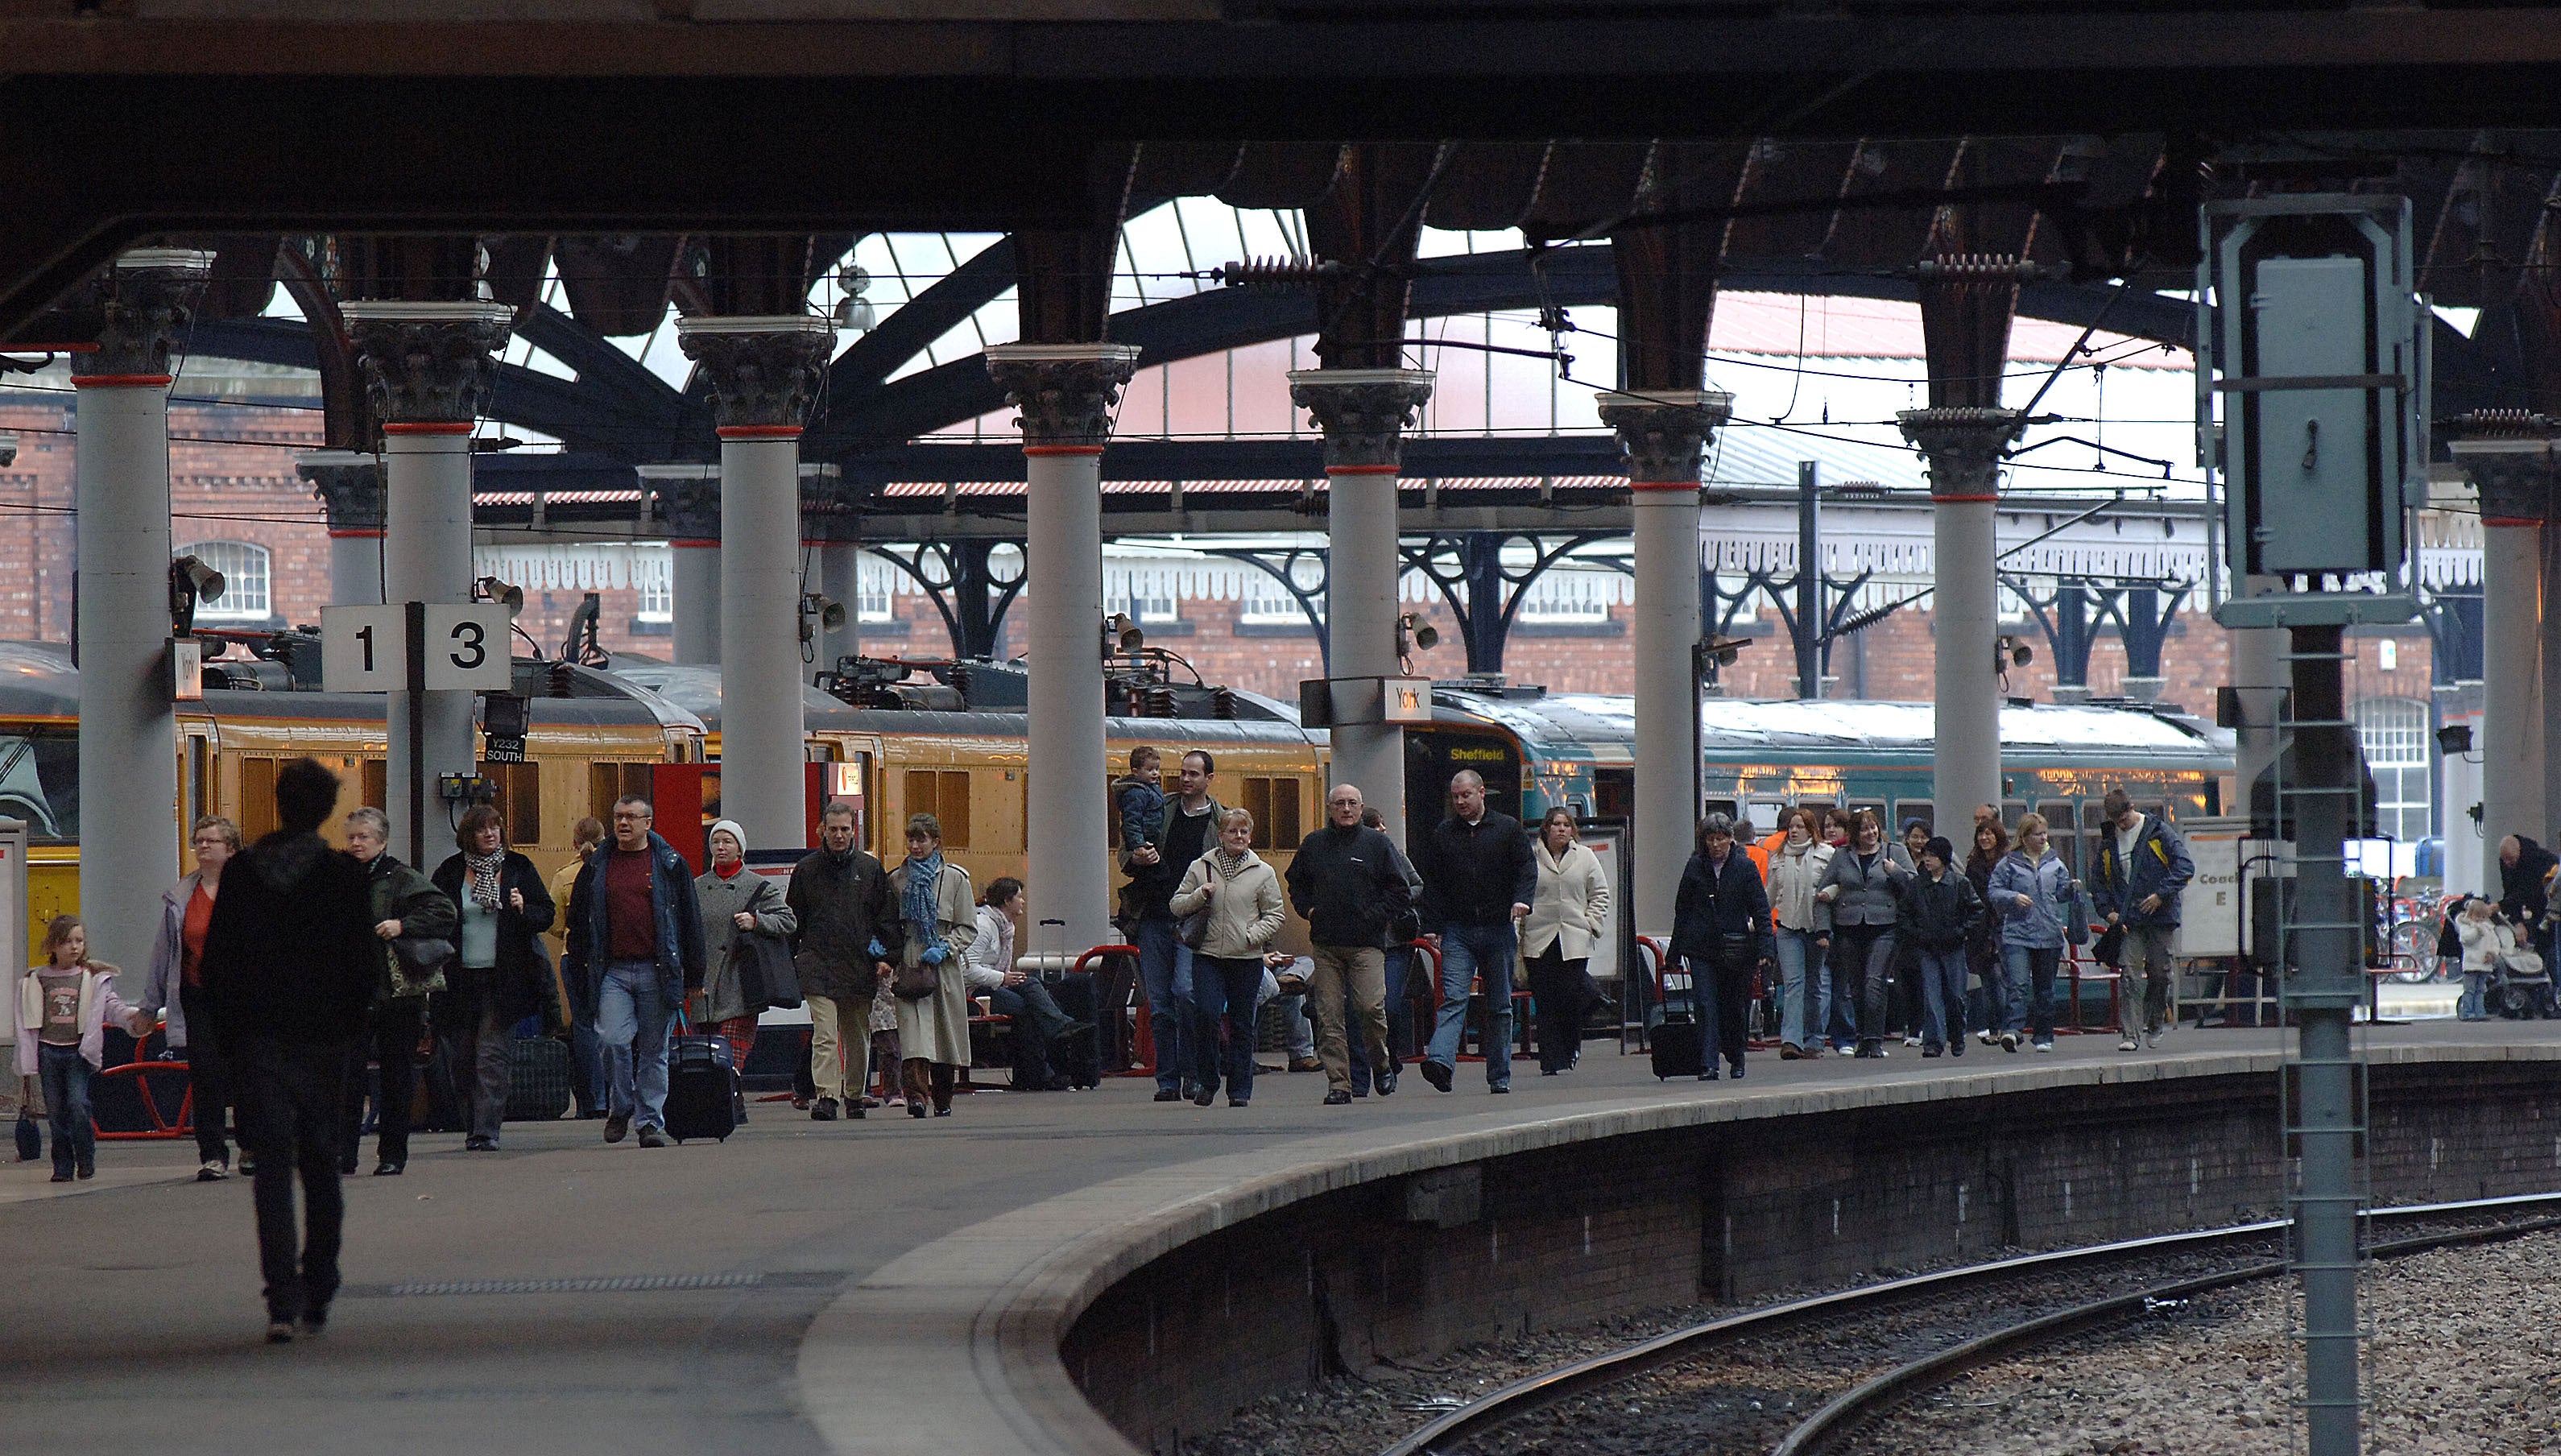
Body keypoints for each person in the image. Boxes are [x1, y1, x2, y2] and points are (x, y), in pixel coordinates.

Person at [197, 757, 375, 1342]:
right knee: (321, 1164)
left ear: (278, 803)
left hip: (258, 1040)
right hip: (323, 1039)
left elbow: (217, 962)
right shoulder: (343, 878)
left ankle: (281, 1299)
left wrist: (230, 1039)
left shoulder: (244, 874)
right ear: (326, 812)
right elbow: (362, 967)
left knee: (270, 1168)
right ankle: (319, 1286)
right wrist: (350, 1027)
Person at [564, 795, 705, 1148]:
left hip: (658, 971)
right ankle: (621, 1106)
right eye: (618, 817)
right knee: (613, 1041)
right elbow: (578, 922)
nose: (623, 824)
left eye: (631, 817)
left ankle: (649, 1122)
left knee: (655, 1049)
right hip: (611, 970)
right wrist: (580, 972)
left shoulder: (671, 865)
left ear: (648, 823)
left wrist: (695, 975)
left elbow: (690, 919)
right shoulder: (597, 865)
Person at [430, 805, 557, 1153]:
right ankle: (472, 1124)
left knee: (491, 1056)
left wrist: (520, 908)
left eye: (495, 828)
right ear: (468, 835)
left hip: (504, 981)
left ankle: (486, 1131)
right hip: (458, 981)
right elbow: (433, 914)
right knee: (463, 1060)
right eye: (482, 829)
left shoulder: (518, 869)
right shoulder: (451, 871)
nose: (490, 834)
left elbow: (545, 914)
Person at [341, 807, 457, 1176]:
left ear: (383, 840)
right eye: (352, 837)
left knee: (397, 1076)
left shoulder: (402, 878)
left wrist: (402, 925)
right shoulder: (338, 879)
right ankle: (344, 1153)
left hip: (397, 995)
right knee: (346, 1078)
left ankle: (393, 1153)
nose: (357, 843)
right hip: (351, 996)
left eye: (364, 837)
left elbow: (444, 911)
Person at [1285, 784, 1414, 1106]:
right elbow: (1295, 882)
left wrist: (1375, 917)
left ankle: (1381, 1063)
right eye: (1339, 803)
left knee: (1371, 1009)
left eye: (1352, 803)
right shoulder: (1314, 844)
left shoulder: (1378, 844)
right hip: (1327, 945)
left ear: (1361, 807)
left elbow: (1400, 891)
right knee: (1329, 1017)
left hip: (1367, 944)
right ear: (1329, 808)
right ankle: (1339, 1083)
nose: (1346, 809)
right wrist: (1308, 909)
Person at [1413, 769, 1536, 1096]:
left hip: (1498, 928)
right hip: (1458, 929)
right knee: (1454, 998)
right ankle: (1440, 1062)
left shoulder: (1507, 829)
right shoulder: (1444, 834)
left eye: (1466, 795)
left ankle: (1499, 1076)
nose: (1460, 802)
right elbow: (1433, 883)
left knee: (1499, 1005)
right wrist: (1433, 926)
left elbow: (1526, 868)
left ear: (1482, 793)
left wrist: (1522, 901)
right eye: (1455, 797)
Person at [135, 814, 242, 1181]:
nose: (203, 846)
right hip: (198, 998)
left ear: (230, 848)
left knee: (247, 1073)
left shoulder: (252, 892)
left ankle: (254, 1145)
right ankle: (213, 1155)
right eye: (198, 840)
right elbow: (163, 953)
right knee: (207, 1075)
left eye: (211, 840)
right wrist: (149, 1006)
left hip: (245, 1001)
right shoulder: (181, 896)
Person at [785, 799, 897, 1122]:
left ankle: (854, 1093)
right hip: (816, 962)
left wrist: (888, 956)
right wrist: (791, 960)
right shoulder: (806, 870)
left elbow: (886, 917)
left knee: (857, 1035)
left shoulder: (870, 869)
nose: (838, 835)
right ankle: (827, 1095)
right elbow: (795, 918)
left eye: (844, 829)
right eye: (833, 829)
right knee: (825, 1033)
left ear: (854, 831)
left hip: (858, 962)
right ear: (822, 830)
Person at [1169, 809, 1289, 1107]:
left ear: (1250, 836)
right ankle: (1208, 1082)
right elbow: (1176, 905)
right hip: (1208, 955)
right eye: (1232, 831)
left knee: (1242, 1023)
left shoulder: (1263, 872)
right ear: (1221, 835)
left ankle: (1240, 1089)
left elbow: (1275, 914)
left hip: (1246, 959)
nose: (1238, 837)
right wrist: (1199, 895)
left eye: (1244, 832)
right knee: (1207, 1014)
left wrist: (1252, 935)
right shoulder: (1201, 867)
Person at [1123, 750, 1223, 1102]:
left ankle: (1193, 1074)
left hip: (1193, 921)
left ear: (1209, 779)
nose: (1185, 779)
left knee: (1185, 992)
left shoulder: (1219, 820)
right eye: (1182, 772)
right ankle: (1167, 1080)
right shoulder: (1161, 807)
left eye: (1194, 774)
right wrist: (1135, 856)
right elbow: (1128, 847)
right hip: (1153, 915)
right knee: (1160, 1003)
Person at [694, 818, 797, 1124]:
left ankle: (726, 1106)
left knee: (732, 1053)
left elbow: (788, 920)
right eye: (716, 842)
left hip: (741, 983)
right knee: (707, 1054)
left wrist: (757, 921)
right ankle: (723, 1105)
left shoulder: (757, 886)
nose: (721, 847)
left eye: (728, 842)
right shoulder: (697, 887)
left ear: (740, 848)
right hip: (704, 986)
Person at [17, 916, 134, 1182]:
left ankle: (85, 1156)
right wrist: (27, 1055)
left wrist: (131, 1019)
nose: (74, 947)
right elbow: (27, 1018)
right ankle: (62, 1165)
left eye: (79, 941)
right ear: (52, 946)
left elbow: (112, 1007)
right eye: (67, 941)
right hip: (48, 1051)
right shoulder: (38, 979)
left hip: (78, 1052)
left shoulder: (91, 978)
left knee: (78, 1104)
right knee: (56, 1111)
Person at [2089, 788, 2195, 1052]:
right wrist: (2107, 911)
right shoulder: (2109, 841)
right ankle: (2131, 1035)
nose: (2121, 825)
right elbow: (2099, 882)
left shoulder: (2159, 833)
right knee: (2130, 975)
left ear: (2132, 808)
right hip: (2130, 921)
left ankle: (2156, 1020)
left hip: (2160, 917)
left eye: (2124, 819)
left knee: (2160, 974)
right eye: (2117, 822)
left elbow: (2185, 867)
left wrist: (2161, 894)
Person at [1669, 813, 1772, 1080]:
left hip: (1737, 949)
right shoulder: (1694, 867)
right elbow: (1683, 910)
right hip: (1702, 947)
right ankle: (1708, 1062)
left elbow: (1760, 910)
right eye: (1710, 839)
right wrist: (1675, 951)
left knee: (1735, 1006)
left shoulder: (1745, 868)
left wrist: (1765, 949)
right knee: (1704, 1004)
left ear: (1731, 839)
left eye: (1721, 838)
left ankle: (1737, 1056)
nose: (1715, 845)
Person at [888, 813, 976, 1118]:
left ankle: (943, 1096)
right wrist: (887, 950)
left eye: (921, 839)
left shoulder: (955, 879)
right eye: (911, 839)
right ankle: (915, 1096)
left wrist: (947, 947)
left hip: (944, 966)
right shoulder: (896, 879)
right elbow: (888, 924)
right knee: (913, 1035)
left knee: (943, 1032)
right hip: (910, 959)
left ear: (936, 842)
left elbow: (967, 927)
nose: (914, 846)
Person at [962, 878, 1085, 1090]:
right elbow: (967, 970)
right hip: (976, 991)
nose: (1023, 901)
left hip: (994, 983)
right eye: (1019, 896)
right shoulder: (984, 926)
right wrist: (1002, 978)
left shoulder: (1005, 926)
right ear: (1007, 901)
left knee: (1031, 983)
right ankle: (1040, 1068)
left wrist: (1007, 977)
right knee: (1027, 1008)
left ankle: (1058, 1028)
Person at [1814, 810, 1913, 1059]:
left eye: (1873, 828)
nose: (1870, 834)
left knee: (1873, 983)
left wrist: (1897, 873)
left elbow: (1913, 885)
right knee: (1856, 988)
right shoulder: (1842, 857)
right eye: (1864, 830)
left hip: (1886, 926)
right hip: (1849, 926)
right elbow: (1822, 893)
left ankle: (1875, 1039)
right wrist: (1823, 929)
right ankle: (1861, 1039)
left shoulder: (1894, 852)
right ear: (1854, 835)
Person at [1521, 807, 1610, 1075]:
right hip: (1540, 939)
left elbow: (1600, 893)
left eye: (1566, 824)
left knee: (1570, 999)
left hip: (1573, 937)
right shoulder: (1530, 857)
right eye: (1556, 824)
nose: (1562, 829)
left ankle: (1571, 1048)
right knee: (1546, 1001)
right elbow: (1521, 895)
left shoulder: (1585, 857)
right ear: (1546, 828)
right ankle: (1549, 1059)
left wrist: (1591, 923)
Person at [1346, 801, 1423, 1098]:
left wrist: (1394, 899)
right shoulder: (1351, 858)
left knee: (1388, 1005)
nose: (1383, 830)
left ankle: (1390, 1058)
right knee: (1358, 1010)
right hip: (1361, 943)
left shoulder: (1394, 854)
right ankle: (1360, 1076)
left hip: (1394, 944)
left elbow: (1416, 886)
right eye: (1377, 826)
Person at [1988, 813, 2077, 1052]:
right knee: (2018, 984)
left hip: (2049, 933)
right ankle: (2012, 1030)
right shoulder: (2009, 864)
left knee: (2045, 988)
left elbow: (2060, 894)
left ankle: (2043, 1035)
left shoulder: (2055, 864)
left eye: (2044, 833)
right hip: (2018, 933)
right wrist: (2013, 897)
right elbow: (1994, 891)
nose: (2043, 838)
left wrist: (2070, 890)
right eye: (2037, 834)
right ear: (2025, 837)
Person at [1898, 836, 1982, 1057]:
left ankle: (1956, 1035)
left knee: (1956, 996)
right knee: (1931, 995)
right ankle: (1933, 1041)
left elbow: (1976, 910)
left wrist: (1960, 932)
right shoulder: (1917, 885)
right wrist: (1917, 934)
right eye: (1926, 855)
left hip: (1953, 947)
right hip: (1927, 947)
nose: (1927, 860)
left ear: (1943, 858)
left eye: (1932, 856)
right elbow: (1905, 914)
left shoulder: (1959, 884)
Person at [549, 815, 607, 1118]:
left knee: (584, 1027)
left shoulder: (564, 876)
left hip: (574, 956)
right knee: (614, 1025)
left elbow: (555, 924)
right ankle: (616, 1094)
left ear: (574, 842)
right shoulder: (611, 870)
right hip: (610, 957)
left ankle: (593, 1100)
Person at [1764, 807, 1832, 1061]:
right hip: (1788, 927)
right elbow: (1771, 894)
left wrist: (1831, 895)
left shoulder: (1827, 855)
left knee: (1814, 985)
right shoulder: (1779, 857)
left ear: (1810, 829)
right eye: (1791, 827)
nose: (1793, 831)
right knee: (1794, 984)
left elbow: (1836, 885)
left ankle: (1814, 1039)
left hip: (1817, 929)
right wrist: (1756, 920)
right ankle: (1791, 1041)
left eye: (1799, 826)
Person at [1964, 818, 2009, 1047]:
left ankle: (2006, 1027)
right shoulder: (1973, 866)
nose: (1984, 838)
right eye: (1981, 834)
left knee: (2002, 979)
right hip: (1981, 931)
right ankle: (1995, 1028)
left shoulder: (2008, 862)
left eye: (1989, 833)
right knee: (1989, 981)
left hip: (2004, 927)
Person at [2455, 897, 2509, 1023]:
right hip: (2471, 964)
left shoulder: (2489, 929)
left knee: (2480, 990)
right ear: (2470, 915)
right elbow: (2466, 940)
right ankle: (2468, 1012)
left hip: (2485, 964)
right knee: (2469, 990)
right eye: (2477, 916)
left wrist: (2493, 954)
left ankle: (2480, 1012)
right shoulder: (2467, 927)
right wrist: (2477, 931)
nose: (2480, 920)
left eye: (2483, 917)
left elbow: (2495, 943)